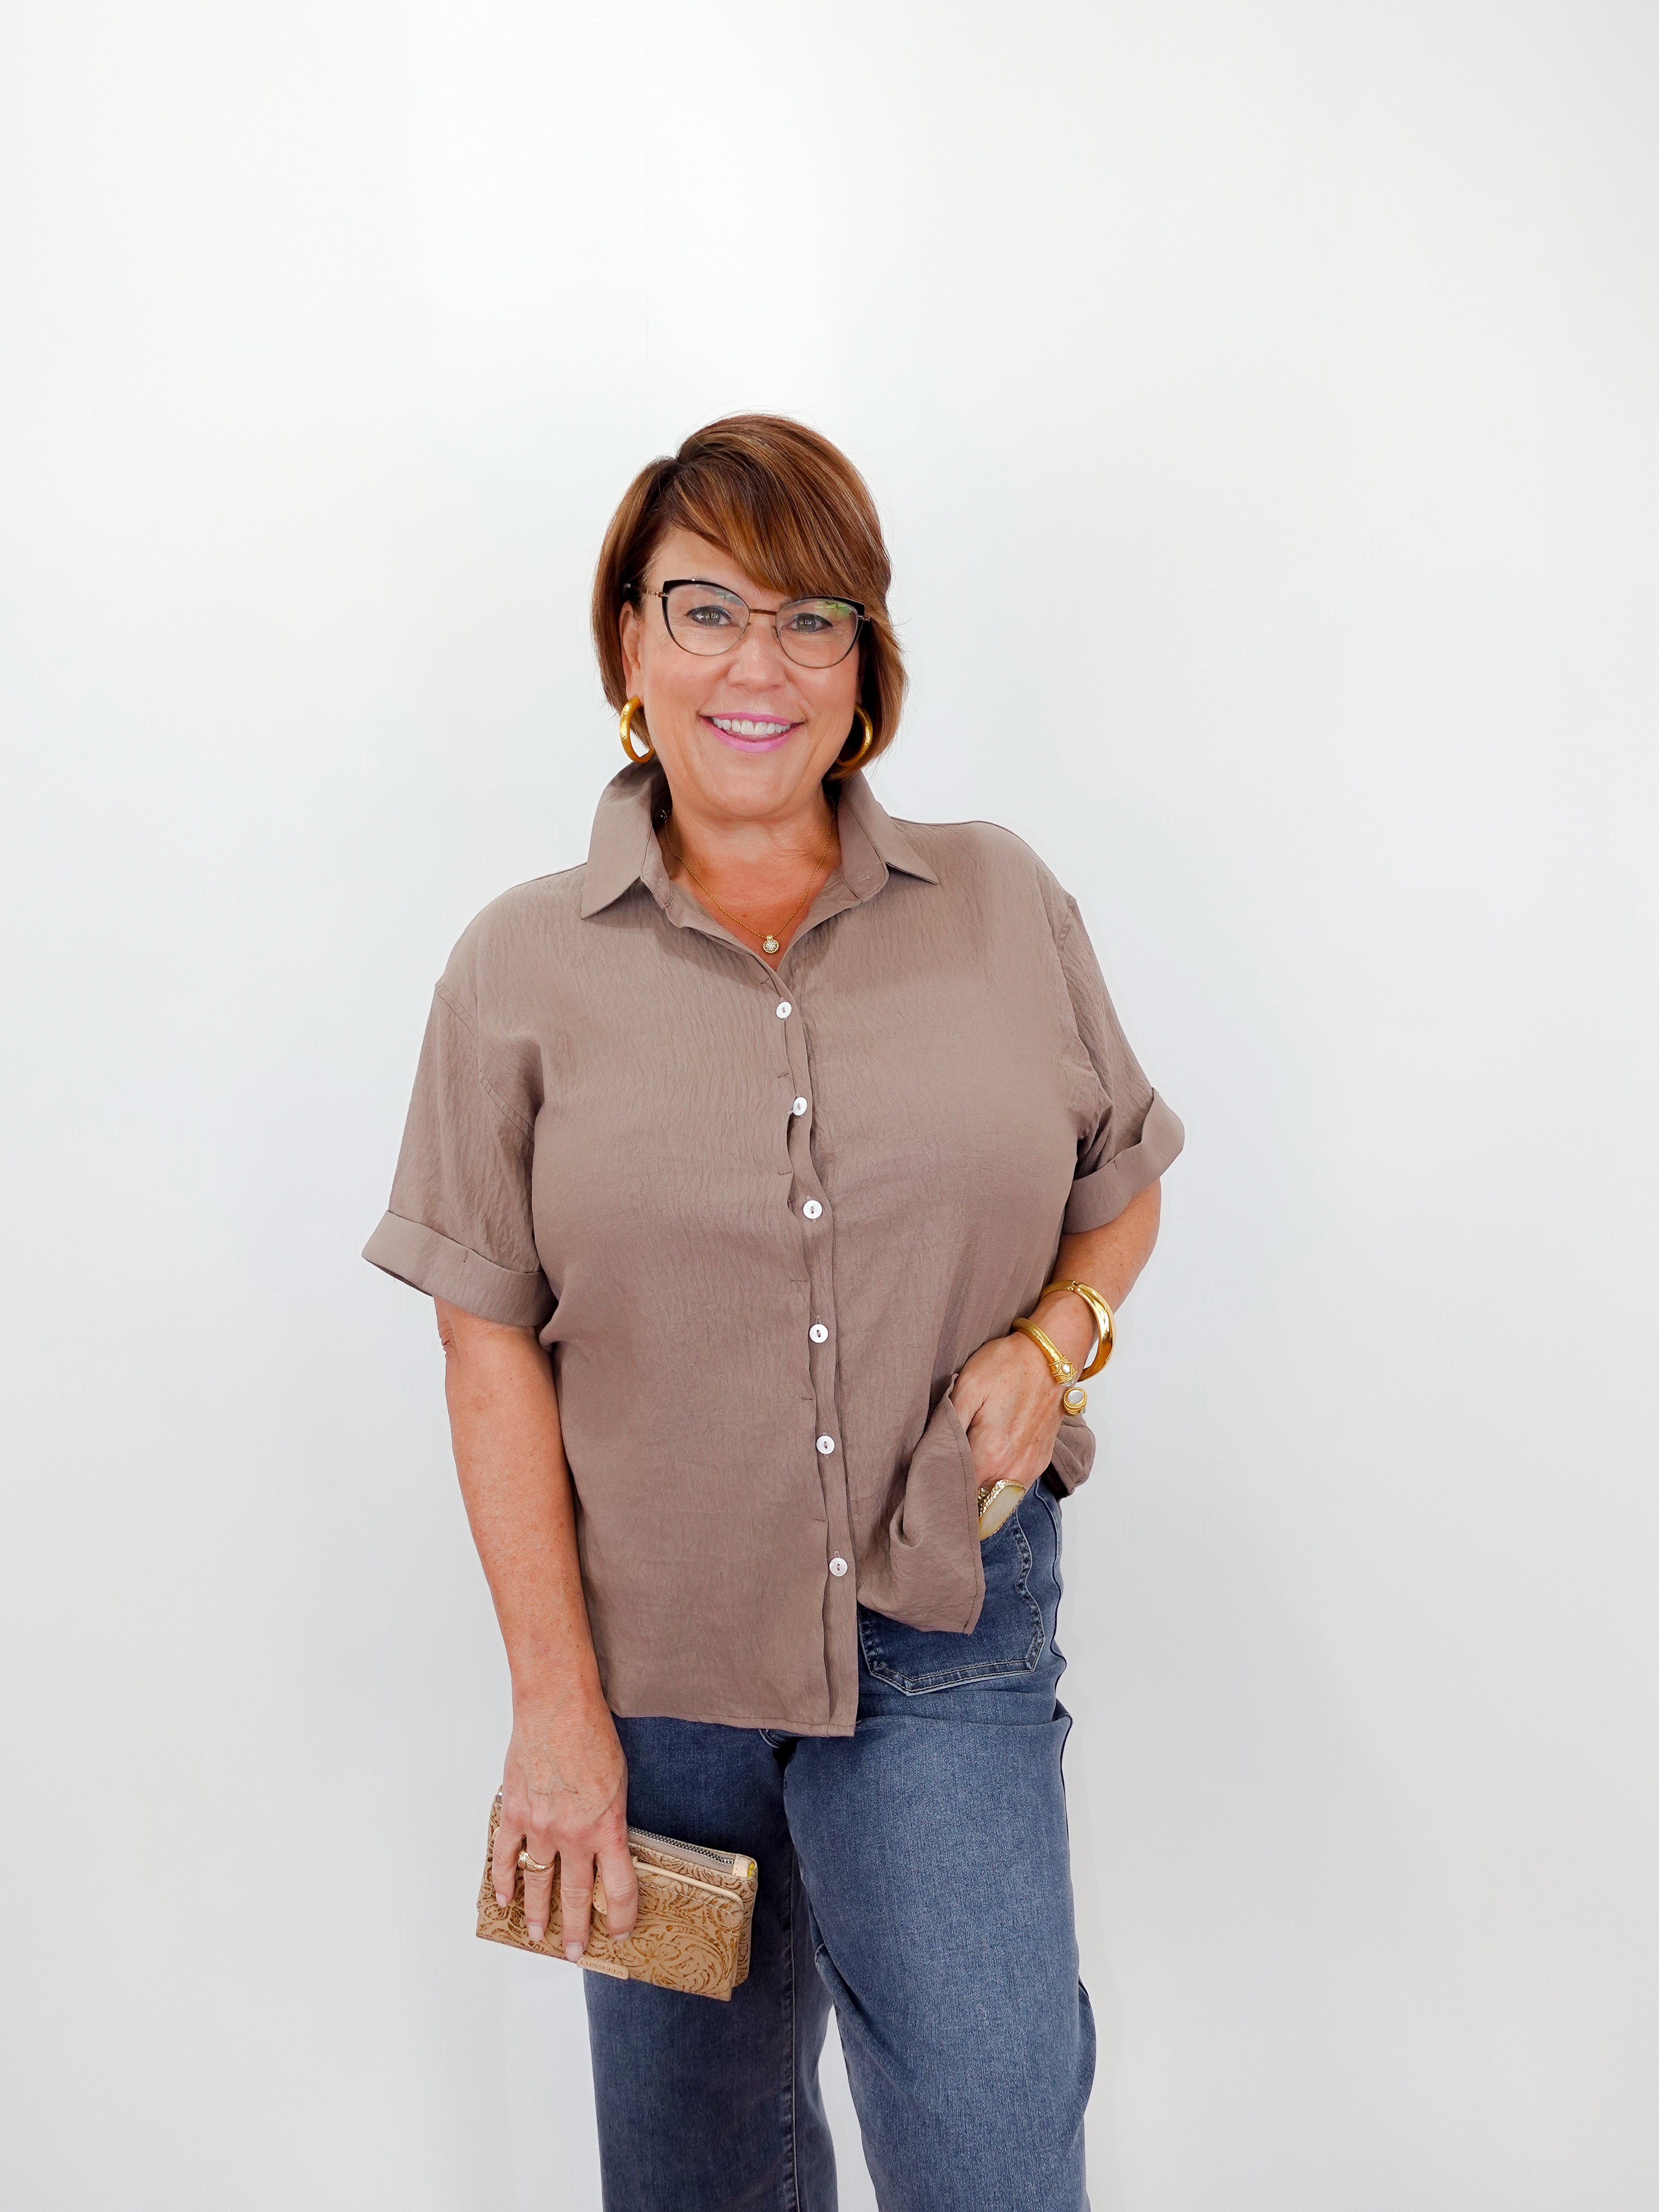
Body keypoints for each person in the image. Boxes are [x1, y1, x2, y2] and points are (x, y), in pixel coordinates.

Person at [365, 414, 1183, 2211]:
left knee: (991, 2153)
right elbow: (485, 1341)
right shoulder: (519, 967)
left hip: (942, 1631)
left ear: (865, 663)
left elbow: (1118, 1185)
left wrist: (1051, 1346)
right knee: (698, 2179)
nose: (762, 663)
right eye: (708, 610)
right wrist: (555, 1716)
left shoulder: (999, 899)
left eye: (814, 618)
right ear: (628, 649)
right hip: (648, 1682)